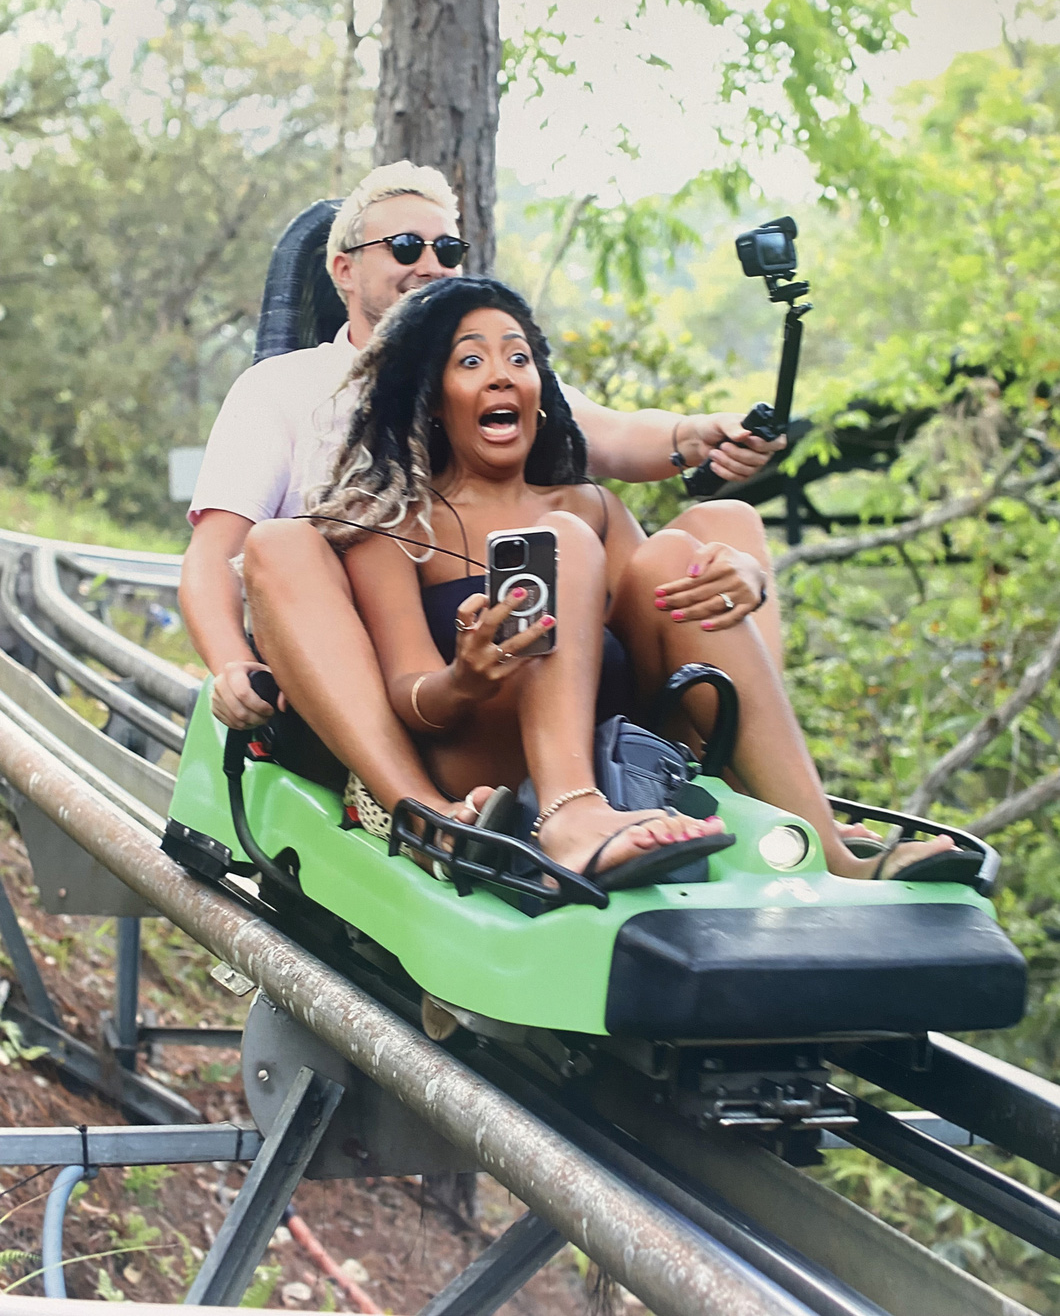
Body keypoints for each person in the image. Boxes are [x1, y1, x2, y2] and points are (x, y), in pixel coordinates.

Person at [180, 161, 783, 833]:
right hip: (377, 660)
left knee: (723, 523)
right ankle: (419, 808)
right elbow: (214, 555)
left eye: (448, 250)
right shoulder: (282, 390)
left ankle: (763, 792)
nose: (431, 263)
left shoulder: (499, 379)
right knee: (284, 542)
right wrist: (231, 663)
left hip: (539, 649)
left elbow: (609, 431)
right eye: (406, 247)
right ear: (344, 271)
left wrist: (691, 435)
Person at [307, 276, 959, 882]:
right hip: (483, 764)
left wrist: (741, 580)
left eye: (518, 359)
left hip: (614, 744)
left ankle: (816, 835)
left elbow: (666, 617)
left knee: (712, 530)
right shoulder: (391, 524)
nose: (502, 377)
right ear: (430, 395)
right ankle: (567, 814)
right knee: (562, 540)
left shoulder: (587, 507)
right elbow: (406, 694)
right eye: (471, 361)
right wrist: (464, 678)